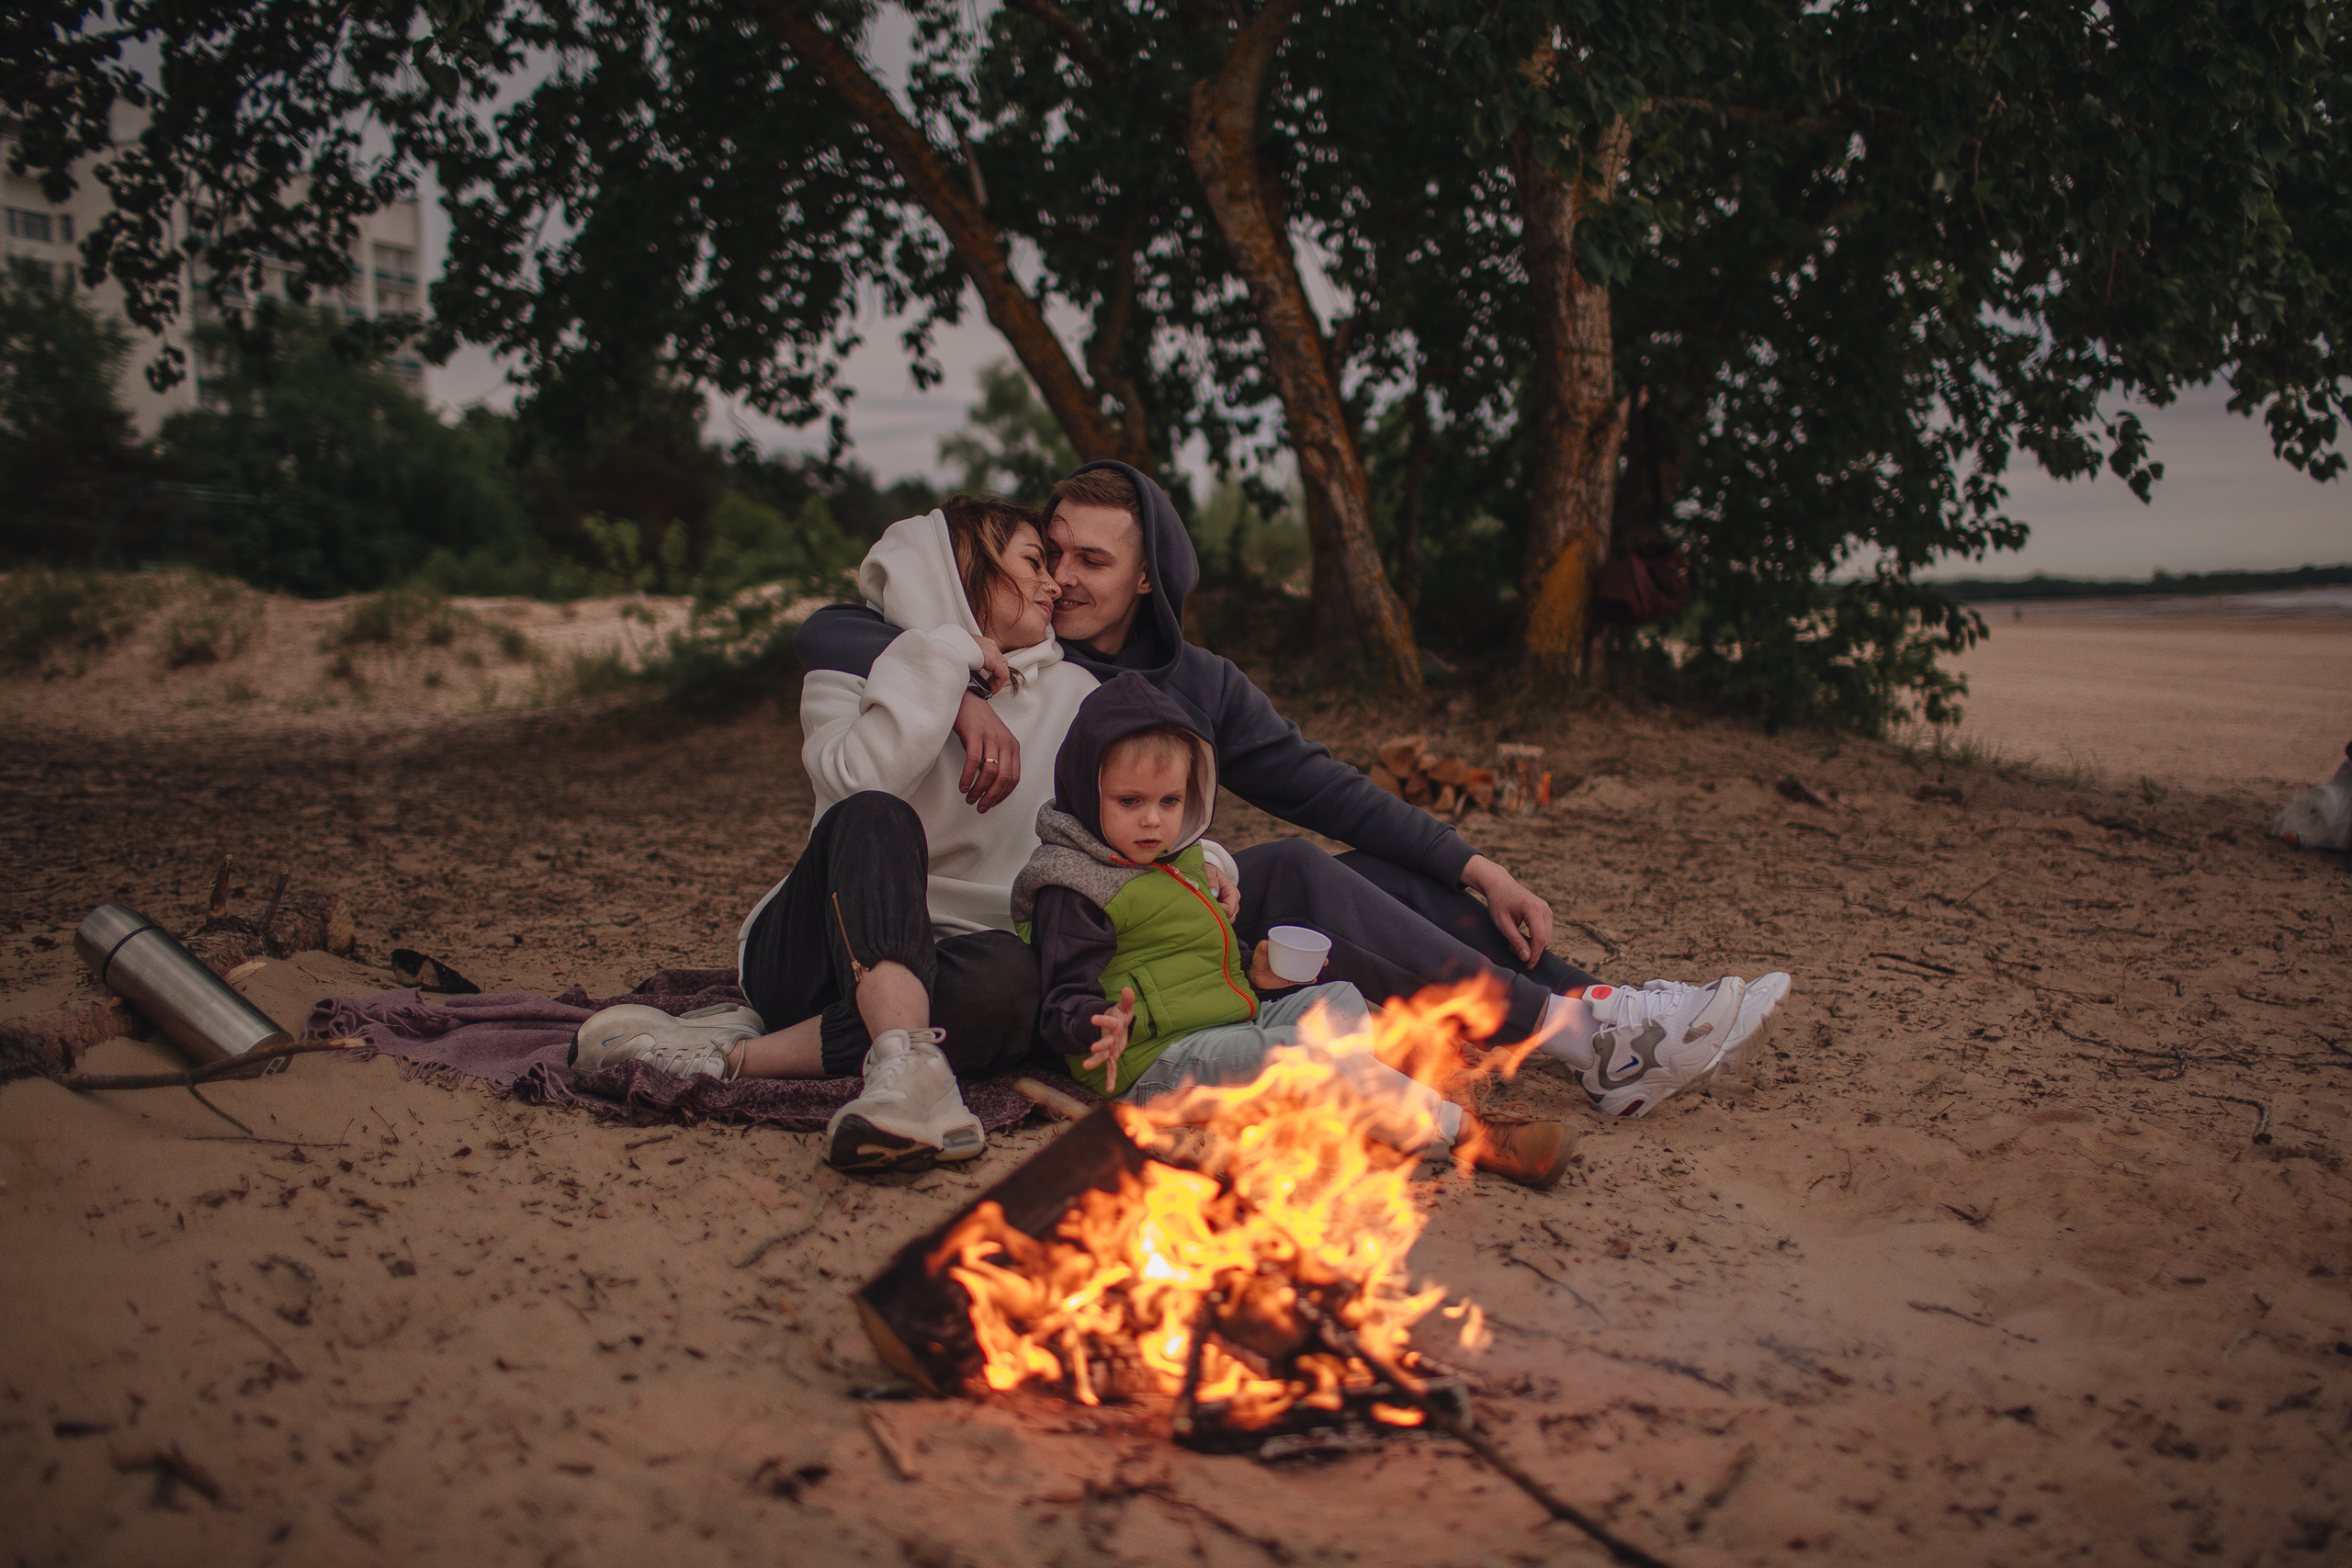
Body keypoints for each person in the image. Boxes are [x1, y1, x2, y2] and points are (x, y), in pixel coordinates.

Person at [798, 462, 1792, 1119]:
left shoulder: (1198, 686)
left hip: (1181, 914)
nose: (1059, 577)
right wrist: (963, 684)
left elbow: (1328, 785)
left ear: (1149, 580)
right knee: (1293, 874)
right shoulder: (1012, 655)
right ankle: (1580, 1038)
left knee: (1407, 886)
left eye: (1091, 561)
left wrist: (1481, 866)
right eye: (1049, 553)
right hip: (1090, 946)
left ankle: (1601, 1011)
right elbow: (852, 617)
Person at [571, 497, 1097, 1172]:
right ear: (963, 566)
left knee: (1013, 983)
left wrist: (1204, 856)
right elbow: (857, 784)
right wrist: (947, 664)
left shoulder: (1078, 694)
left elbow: (1115, 812)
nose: (1054, 583)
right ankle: (902, 1061)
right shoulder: (849, 671)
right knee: (876, 812)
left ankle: (745, 1056)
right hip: (819, 946)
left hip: (954, 959)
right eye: (1033, 562)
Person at [1016, 671, 1580, 1187]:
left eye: (1170, 802)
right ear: (1086, 795)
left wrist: (1251, 970)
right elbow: (1062, 994)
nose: (1151, 819)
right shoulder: (1077, 887)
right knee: (1307, 1055)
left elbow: (1190, 957)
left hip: (1222, 1023)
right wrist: (1097, 1028)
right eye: (1129, 801)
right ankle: (1470, 1136)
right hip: (1150, 1064)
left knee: (1339, 1001)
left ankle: (1357, 1103)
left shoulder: (1181, 858)